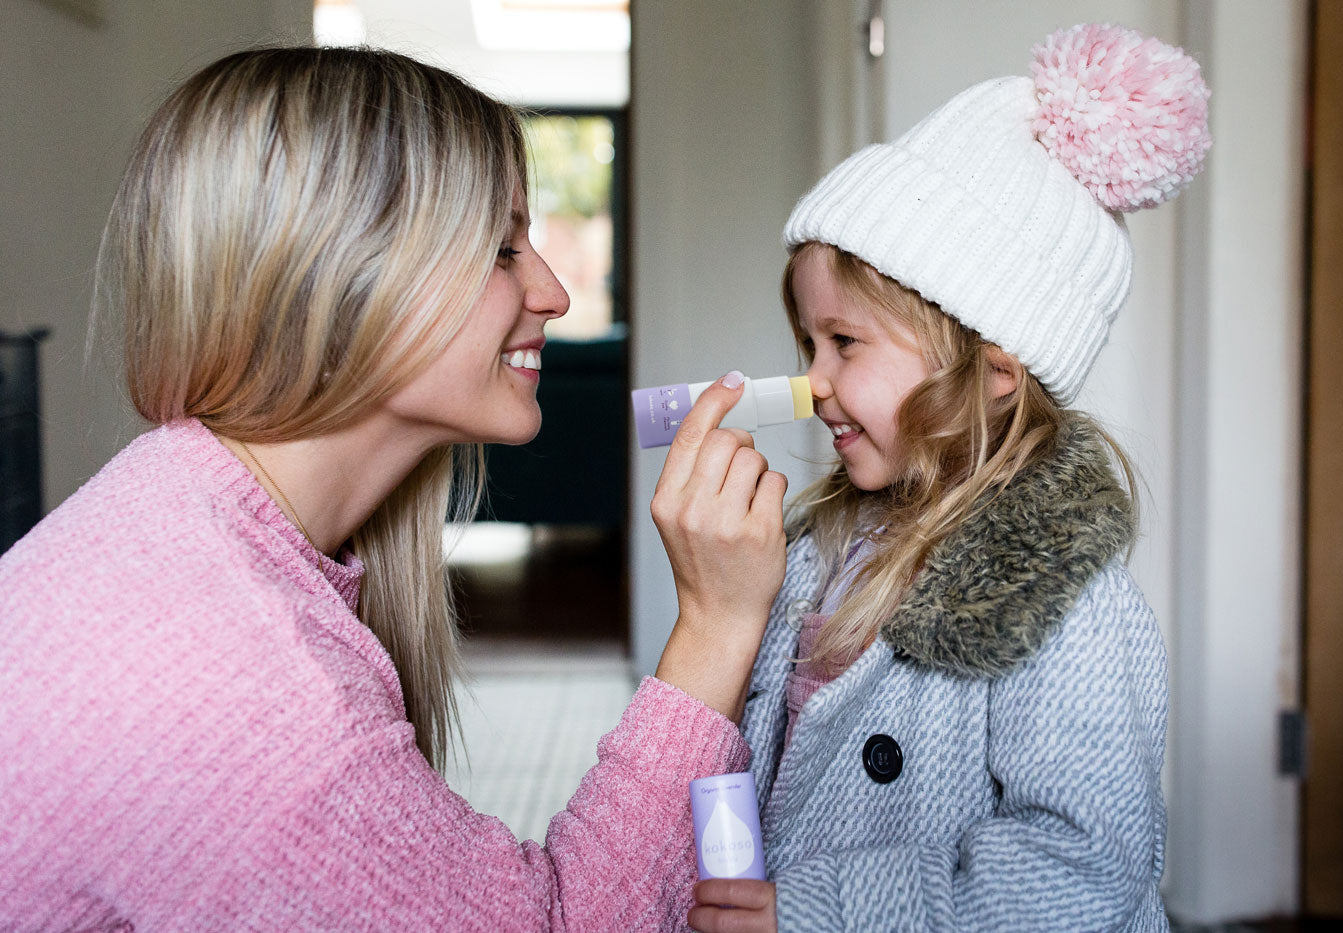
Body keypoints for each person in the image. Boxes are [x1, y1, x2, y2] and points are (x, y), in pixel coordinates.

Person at [0, 47, 789, 930]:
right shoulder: (256, 697)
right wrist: (716, 624)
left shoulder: (175, 509)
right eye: (500, 249)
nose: (555, 293)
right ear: (341, 279)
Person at [685, 24, 1211, 932]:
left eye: (845, 342)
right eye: (808, 343)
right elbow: (746, 753)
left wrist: (815, 911)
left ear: (992, 372)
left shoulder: (1072, 608)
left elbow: (1079, 870)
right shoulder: (819, 551)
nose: (813, 382)